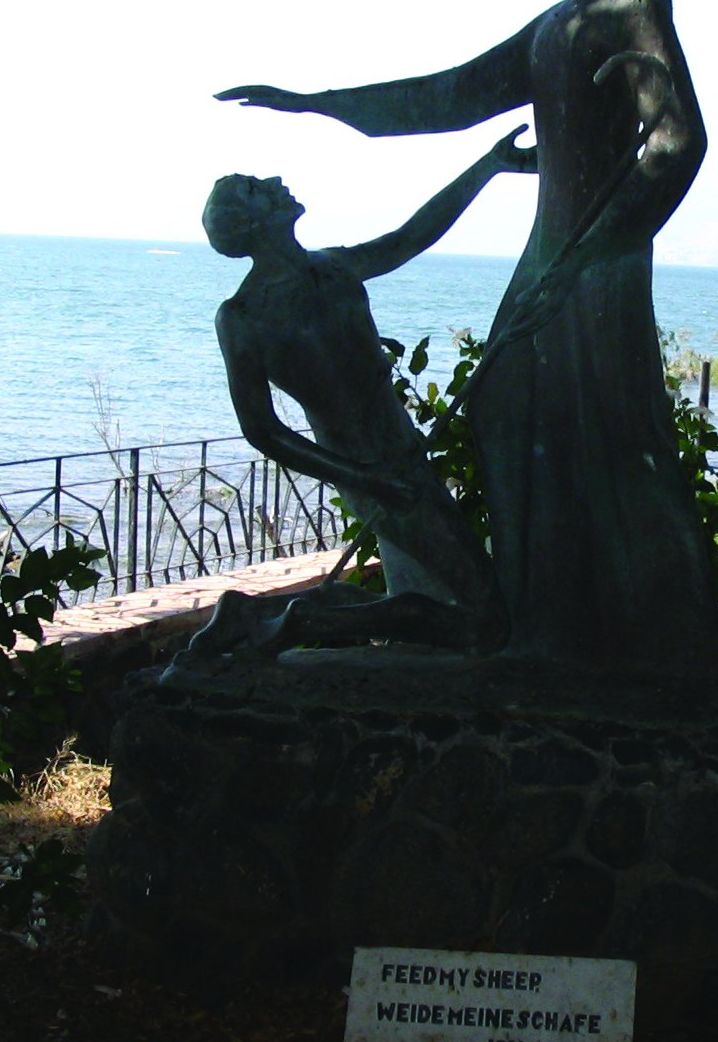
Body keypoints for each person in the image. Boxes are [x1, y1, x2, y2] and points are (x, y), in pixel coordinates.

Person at [217, 0, 718, 694]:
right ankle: (550, 627)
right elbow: (448, 95)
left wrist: (590, 255)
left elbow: (680, 140)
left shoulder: (633, 9)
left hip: (592, 261)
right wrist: (318, 102)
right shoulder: (559, 25)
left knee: (596, 426)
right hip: (556, 258)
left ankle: (637, 639)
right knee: (511, 413)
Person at [172, 128, 534, 667]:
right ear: (247, 225)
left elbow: (411, 237)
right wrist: (364, 478)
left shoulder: (333, 266)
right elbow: (262, 430)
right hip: (371, 471)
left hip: (402, 457)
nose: (273, 181)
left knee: (474, 609)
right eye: (254, 188)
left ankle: (258, 614)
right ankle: (299, 620)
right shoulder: (243, 317)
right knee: (486, 625)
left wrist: (489, 165)